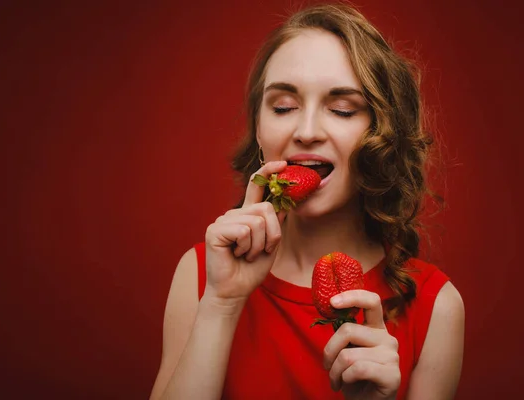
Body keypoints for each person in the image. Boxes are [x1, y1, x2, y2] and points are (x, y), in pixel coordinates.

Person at [150, 3, 464, 400]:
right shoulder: (201, 276)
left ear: (382, 134)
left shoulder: (437, 307)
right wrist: (222, 304)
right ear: (260, 129)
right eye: (283, 107)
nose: (307, 130)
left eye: (342, 109)